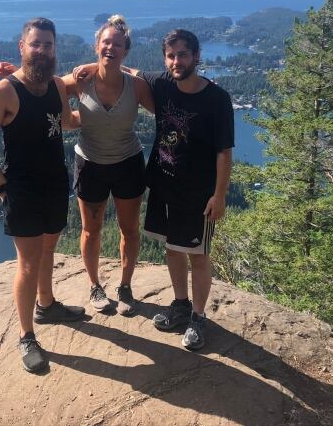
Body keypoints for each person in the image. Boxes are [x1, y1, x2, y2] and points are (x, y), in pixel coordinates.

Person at [75, 28, 233, 350]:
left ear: (197, 56)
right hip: (164, 185)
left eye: (183, 54)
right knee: (173, 249)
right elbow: (127, 72)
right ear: (165, 59)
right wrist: (93, 68)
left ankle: (199, 319)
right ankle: (180, 306)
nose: (177, 61)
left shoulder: (217, 99)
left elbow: (224, 152)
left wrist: (220, 194)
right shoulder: (161, 84)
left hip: (199, 193)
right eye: (171, 55)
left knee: (199, 256)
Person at [0, 15, 154, 316]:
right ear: (97, 46)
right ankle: (95, 286)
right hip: (90, 163)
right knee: (90, 230)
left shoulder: (136, 86)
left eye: (117, 44)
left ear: (125, 50)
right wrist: (12, 72)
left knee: (130, 230)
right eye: (105, 42)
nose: (110, 47)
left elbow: (165, 104)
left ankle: (125, 287)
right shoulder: (80, 80)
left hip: (128, 163)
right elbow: (37, 83)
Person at [0, 17, 85, 374]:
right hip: (21, 189)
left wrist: (98, 116)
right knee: (27, 262)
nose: (42, 50)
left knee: (49, 249)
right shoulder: (4, 91)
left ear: (55, 49)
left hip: (55, 183)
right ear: (21, 47)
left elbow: (66, 120)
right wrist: (2, 187)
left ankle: (47, 304)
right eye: (35, 44)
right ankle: (26, 336)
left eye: (48, 45)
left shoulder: (55, 85)